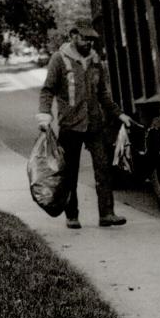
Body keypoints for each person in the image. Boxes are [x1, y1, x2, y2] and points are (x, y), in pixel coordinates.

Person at [37, 20, 131, 229]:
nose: (88, 42)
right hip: (70, 126)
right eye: (84, 38)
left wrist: (119, 114)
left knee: (104, 169)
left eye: (91, 39)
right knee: (69, 173)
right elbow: (47, 90)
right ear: (73, 36)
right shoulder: (59, 60)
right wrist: (44, 116)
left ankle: (107, 214)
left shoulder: (96, 62)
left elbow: (104, 95)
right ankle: (72, 216)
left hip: (95, 125)